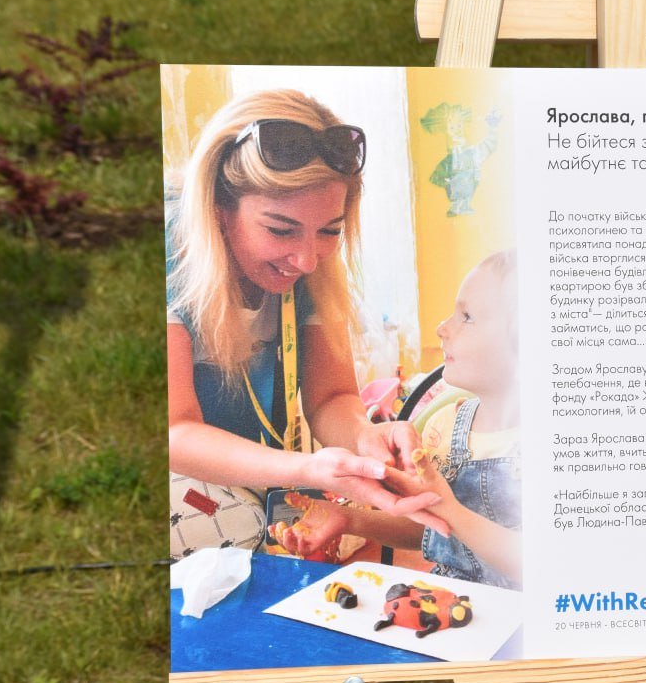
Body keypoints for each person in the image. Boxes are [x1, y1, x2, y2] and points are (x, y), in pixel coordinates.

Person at [167, 89, 438, 538]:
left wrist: (363, 437)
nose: (307, 261)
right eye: (280, 230)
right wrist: (307, 468)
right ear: (218, 209)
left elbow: (331, 397)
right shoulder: (167, 254)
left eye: (330, 231)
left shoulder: (307, 261)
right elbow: (173, 431)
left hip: (240, 501)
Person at [279, 251, 521, 587]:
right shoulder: (444, 426)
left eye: (466, 317)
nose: (442, 328)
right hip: (452, 605)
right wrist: (348, 519)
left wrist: (452, 511)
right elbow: (430, 529)